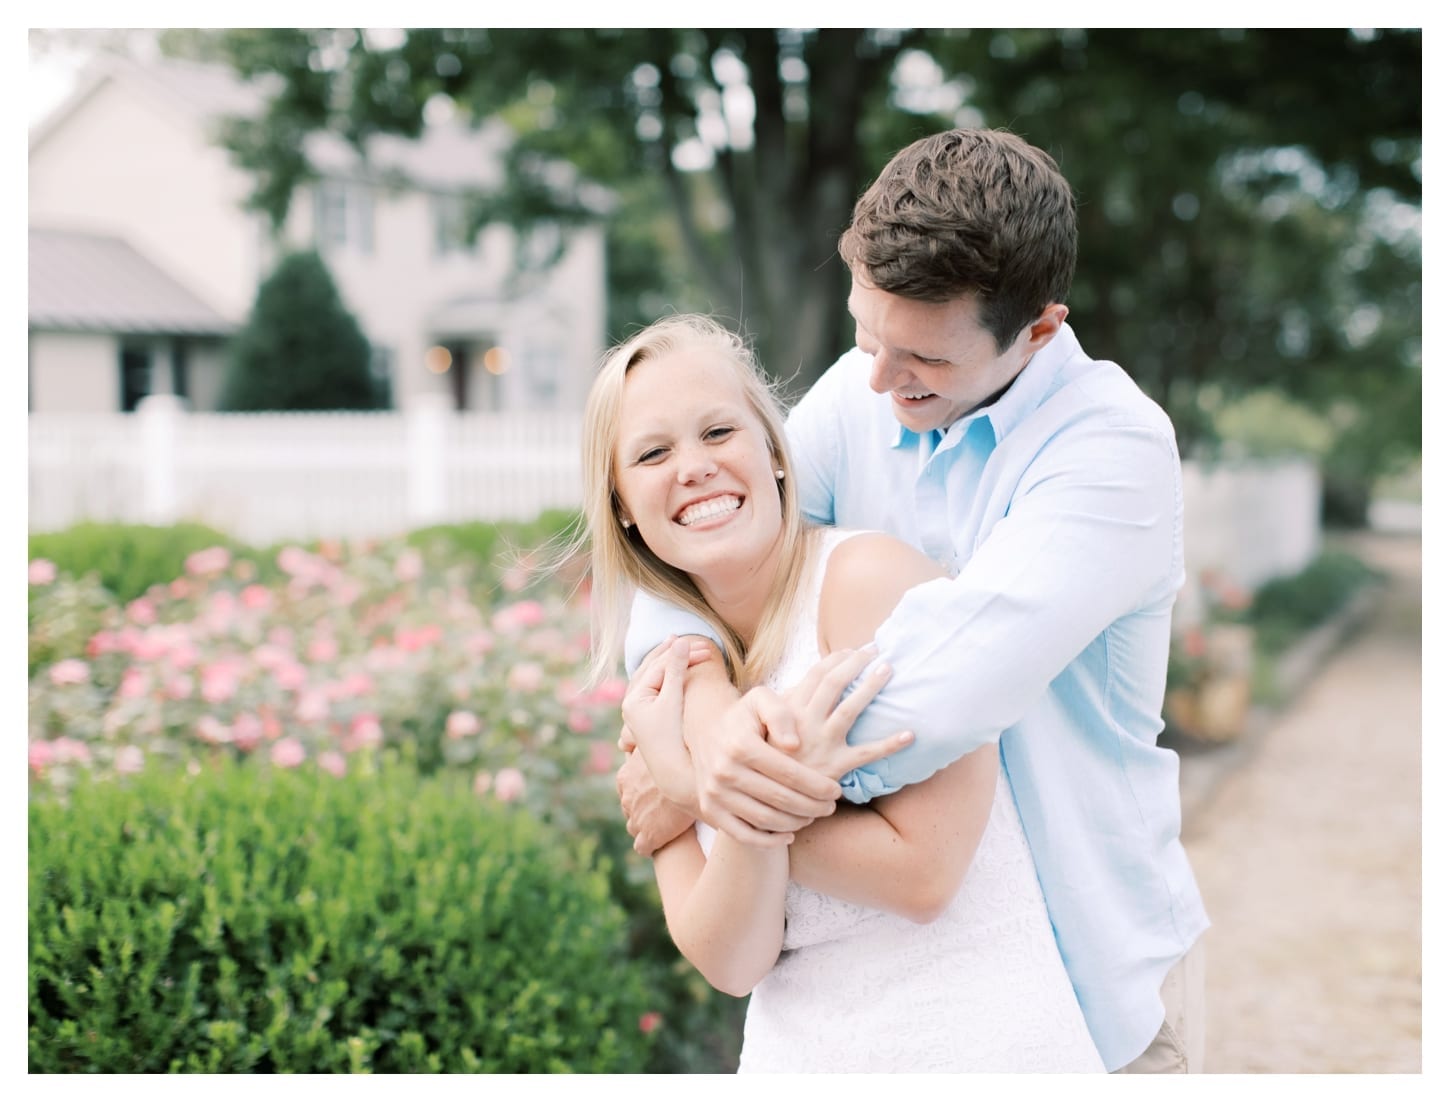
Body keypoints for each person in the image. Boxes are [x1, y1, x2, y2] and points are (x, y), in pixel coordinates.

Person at [618, 127, 1209, 1074]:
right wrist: (705, 708)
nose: (880, 377)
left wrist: (698, 787)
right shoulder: (868, 390)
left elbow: (932, 697)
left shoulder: (1111, 455)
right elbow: (687, 561)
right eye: (865, 332)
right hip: (889, 1001)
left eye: (923, 360)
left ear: (1040, 328)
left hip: (1089, 977)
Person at [584, 313, 1105, 1072]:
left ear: (776, 454)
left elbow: (925, 874)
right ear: (624, 505)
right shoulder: (667, 691)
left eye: (719, 433)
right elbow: (733, 964)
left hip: (978, 1049)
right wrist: (749, 802)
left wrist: (700, 789)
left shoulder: (869, 584)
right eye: (654, 452)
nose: (692, 467)